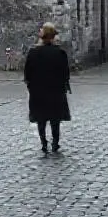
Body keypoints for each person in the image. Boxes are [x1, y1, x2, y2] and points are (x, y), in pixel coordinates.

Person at [24, 23, 72, 154]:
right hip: (55, 91)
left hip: (38, 92)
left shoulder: (33, 53)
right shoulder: (60, 53)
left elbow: (27, 73)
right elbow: (65, 73)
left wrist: (31, 86)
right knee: (55, 119)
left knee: (41, 119)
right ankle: (55, 143)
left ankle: (44, 142)